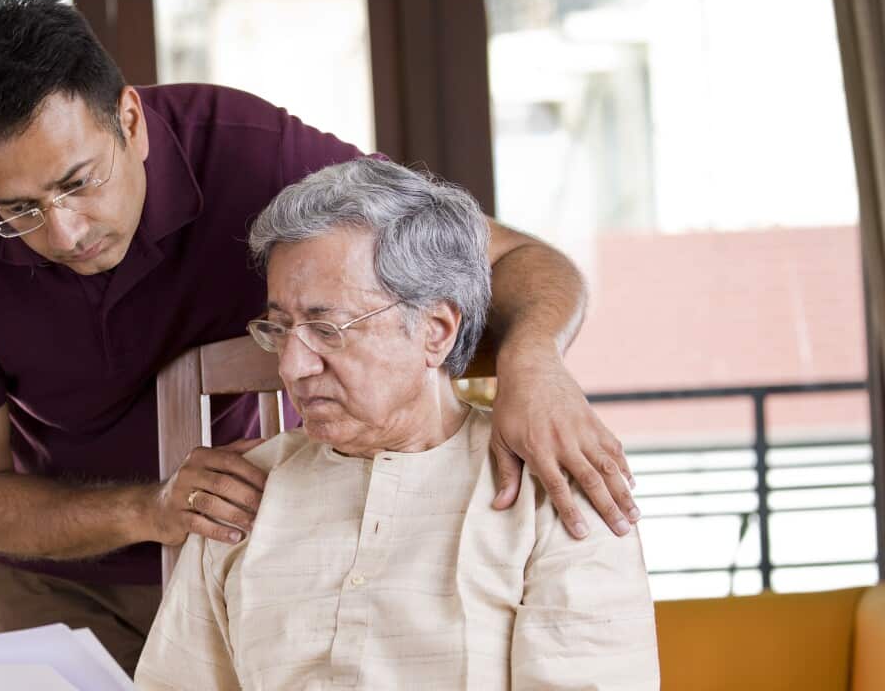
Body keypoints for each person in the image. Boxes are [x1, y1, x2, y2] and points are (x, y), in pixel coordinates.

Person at [0, 0, 640, 672]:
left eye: (78, 182)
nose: (62, 231)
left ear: (128, 119)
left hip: (241, 541)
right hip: (62, 564)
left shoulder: (252, 155)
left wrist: (533, 363)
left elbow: (517, 261)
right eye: (16, 209)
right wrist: (147, 510)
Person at [135, 158, 659, 690]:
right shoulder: (242, 494)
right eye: (281, 328)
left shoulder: (551, 489)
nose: (292, 366)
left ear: (435, 331)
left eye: (326, 328)